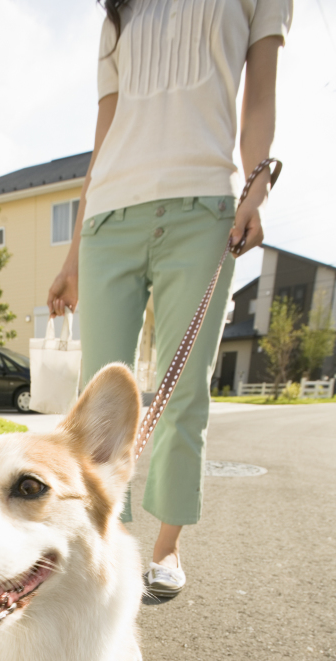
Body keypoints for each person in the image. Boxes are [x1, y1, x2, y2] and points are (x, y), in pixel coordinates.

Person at [48, 0, 293, 595]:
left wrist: (255, 188)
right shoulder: (120, 12)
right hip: (109, 216)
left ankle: (166, 546)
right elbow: (102, 139)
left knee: (185, 391)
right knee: (97, 403)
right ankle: (104, 551)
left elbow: (258, 97)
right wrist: (73, 253)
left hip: (204, 207)